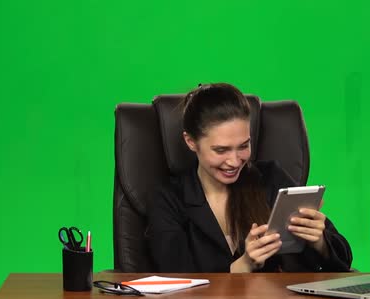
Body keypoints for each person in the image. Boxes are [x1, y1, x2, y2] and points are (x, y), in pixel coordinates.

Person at [145, 83, 352, 272]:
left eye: (244, 146)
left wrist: (320, 242)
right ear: (191, 142)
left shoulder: (270, 179)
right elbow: (174, 281)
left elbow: (344, 259)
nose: (235, 161)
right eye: (221, 150)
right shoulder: (168, 198)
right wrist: (243, 265)